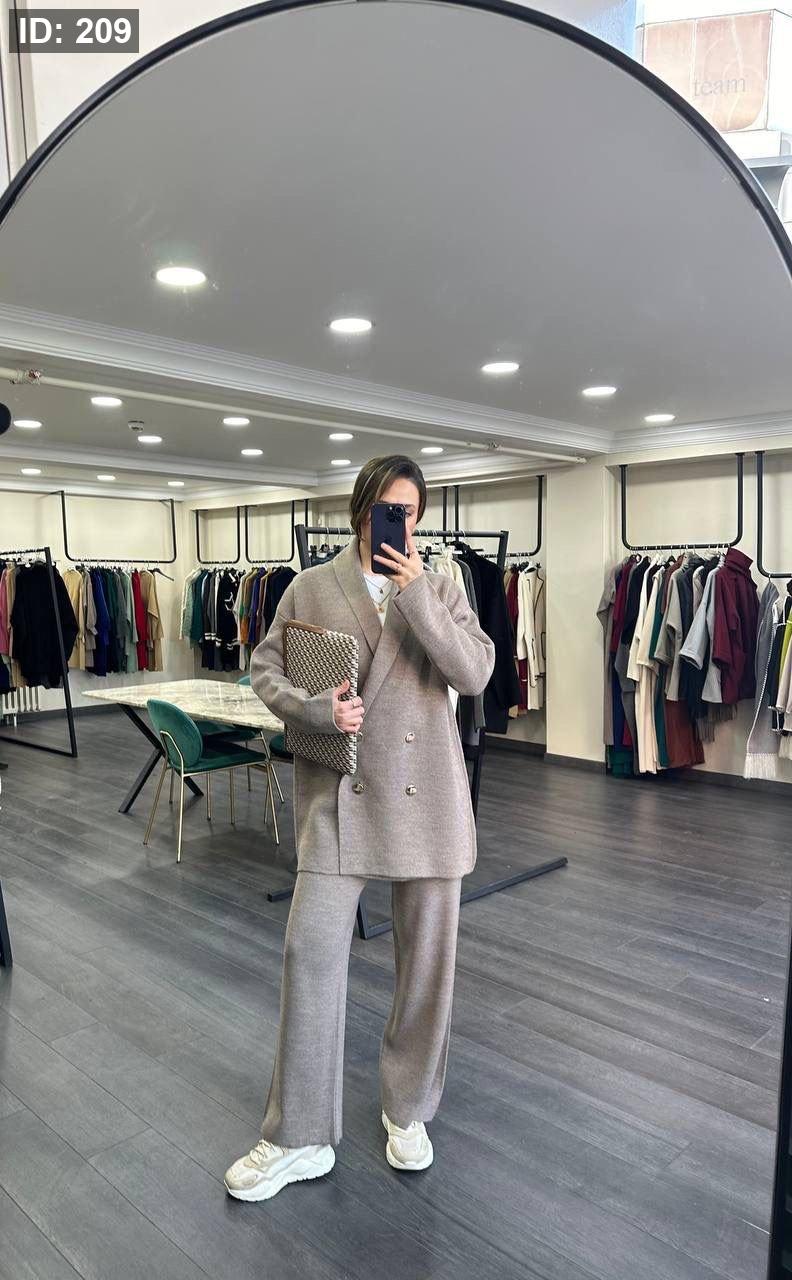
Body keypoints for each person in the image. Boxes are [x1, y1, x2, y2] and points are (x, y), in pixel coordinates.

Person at [224, 454, 495, 1202]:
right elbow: (266, 669)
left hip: (428, 800)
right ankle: (300, 1134)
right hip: (339, 796)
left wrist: (417, 597)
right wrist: (318, 711)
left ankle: (408, 1110)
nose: (398, 522)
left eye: (410, 511)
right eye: (387, 508)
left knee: (427, 966)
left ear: (421, 518)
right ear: (360, 510)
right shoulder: (311, 585)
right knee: (309, 953)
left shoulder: (442, 585)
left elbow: (474, 674)